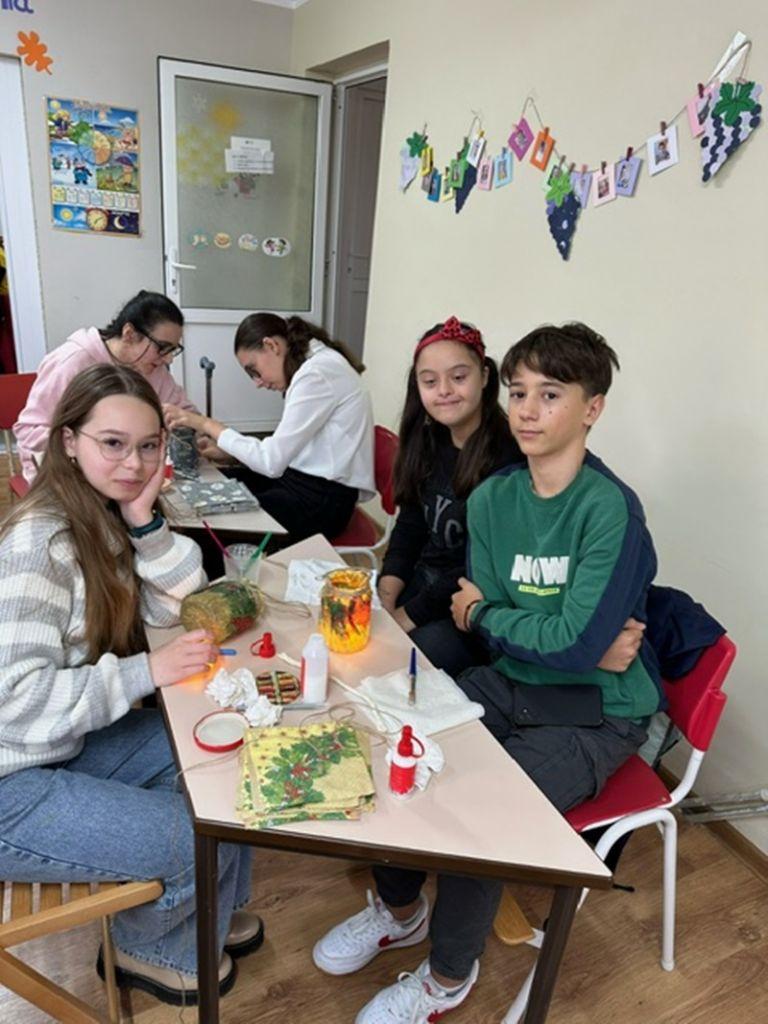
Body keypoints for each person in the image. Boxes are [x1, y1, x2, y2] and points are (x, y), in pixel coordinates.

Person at [313, 323, 662, 1024]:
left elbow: (539, 634)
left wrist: (501, 622)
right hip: (512, 679)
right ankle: (400, 910)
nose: (527, 411)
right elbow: (509, 619)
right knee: (393, 739)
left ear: (592, 408)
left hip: (597, 707)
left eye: (551, 395)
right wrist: (542, 630)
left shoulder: (610, 510)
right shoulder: (493, 499)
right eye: (519, 393)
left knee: (480, 814)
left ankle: (447, 976)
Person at [0, 364, 262, 1006]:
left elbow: (179, 606)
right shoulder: (39, 543)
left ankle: (208, 913)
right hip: (11, 780)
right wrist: (146, 671)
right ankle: (148, 950)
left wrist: (145, 522)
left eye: (148, 446)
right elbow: (13, 704)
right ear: (69, 441)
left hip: (56, 747)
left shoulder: (102, 514)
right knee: (196, 832)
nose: (134, 463)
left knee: (222, 758)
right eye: (113, 443)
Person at [377, 316, 521, 677]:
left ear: (484, 377)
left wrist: (407, 616)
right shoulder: (428, 440)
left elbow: (480, 564)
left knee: (407, 667)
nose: (444, 390)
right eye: (430, 381)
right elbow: (410, 526)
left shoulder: (509, 458)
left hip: (468, 604)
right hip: (423, 584)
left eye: (458, 377)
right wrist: (387, 591)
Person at [164, 313, 375, 540]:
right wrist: (231, 455)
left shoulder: (317, 373)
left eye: (254, 370)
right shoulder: (316, 365)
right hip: (298, 480)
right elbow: (281, 451)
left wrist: (205, 424)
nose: (258, 383)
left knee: (219, 522)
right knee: (217, 483)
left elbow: (271, 461)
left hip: (323, 501)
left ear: (271, 345)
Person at [14, 289, 196, 481]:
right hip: (65, 472)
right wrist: (91, 445)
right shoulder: (72, 362)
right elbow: (29, 431)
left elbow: (184, 412)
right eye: (162, 348)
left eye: (173, 350)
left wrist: (195, 431)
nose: (168, 359)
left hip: (126, 466)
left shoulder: (152, 367)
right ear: (129, 334)